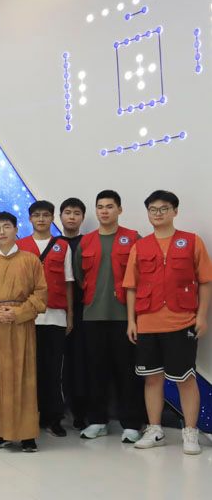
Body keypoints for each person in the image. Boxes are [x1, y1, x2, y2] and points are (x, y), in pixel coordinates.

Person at [125, 190, 212, 455]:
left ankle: (190, 431)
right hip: (147, 323)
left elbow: (205, 282)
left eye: (164, 209)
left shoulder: (192, 241)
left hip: (182, 322)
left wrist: (202, 316)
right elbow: (131, 287)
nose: (158, 214)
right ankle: (155, 429)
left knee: (186, 379)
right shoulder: (140, 246)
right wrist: (131, 321)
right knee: (152, 380)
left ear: (175, 211)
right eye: (153, 209)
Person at [0, 212, 47, 452]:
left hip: (21, 327)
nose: (2, 232)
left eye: (7, 227)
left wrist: (19, 312)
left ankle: (26, 435)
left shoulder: (30, 261)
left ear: (16, 230)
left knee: (23, 378)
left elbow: (40, 294)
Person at [74, 190, 145, 443]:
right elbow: (80, 277)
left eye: (110, 206)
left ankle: (132, 424)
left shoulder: (133, 238)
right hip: (93, 316)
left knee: (127, 372)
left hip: (124, 318)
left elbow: (142, 276)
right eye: (100, 207)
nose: (104, 211)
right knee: (96, 371)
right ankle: (97, 421)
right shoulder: (86, 242)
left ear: (120, 210)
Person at [17, 201, 74, 438]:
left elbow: (68, 283)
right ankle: (31, 416)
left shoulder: (63, 246)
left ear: (52, 218)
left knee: (53, 371)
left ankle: (54, 418)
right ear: (29, 219)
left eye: (46, 215)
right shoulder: (20, 245)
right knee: (29, 371)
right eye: (37, 215)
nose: (41, 219)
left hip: (56, 317)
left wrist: (70, 315)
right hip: (27, 318)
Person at [59, 197, 89, 429]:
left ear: (82, 217)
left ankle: (80, 412)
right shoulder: (53, 243)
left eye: (76, 213)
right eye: (67, 212)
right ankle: (55, 410)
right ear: (60, 216)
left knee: (81, 361)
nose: (71, 217)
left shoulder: (88, 242)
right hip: (55, 310)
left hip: (84, 311)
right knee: (59, 362)